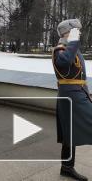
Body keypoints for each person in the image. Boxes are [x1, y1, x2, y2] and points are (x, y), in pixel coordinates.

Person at [53, 19, 91, 181]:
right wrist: (74, 40)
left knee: (70, 132)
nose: (79, 34)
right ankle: (67, 167)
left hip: (78, 95)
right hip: (71, 97)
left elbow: (80, 77)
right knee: (70, 130)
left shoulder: (73, 49)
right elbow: (65, 61)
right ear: (66, 33)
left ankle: (66, 167)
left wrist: (87, 94)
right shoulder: (60, 50)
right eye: (76, 32)